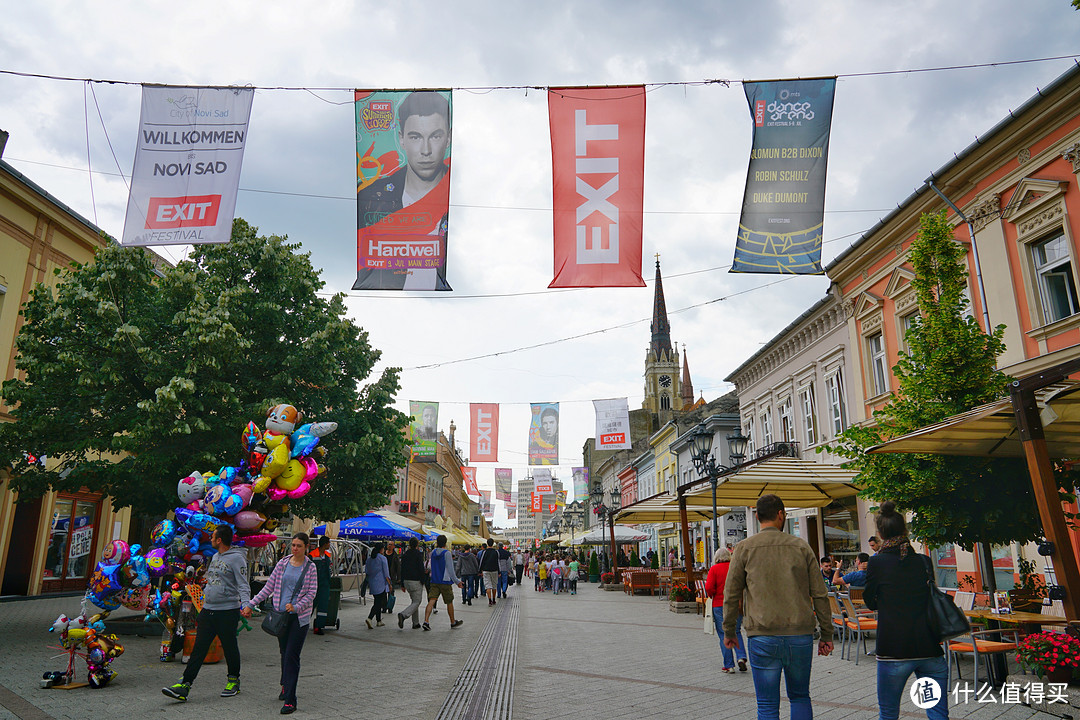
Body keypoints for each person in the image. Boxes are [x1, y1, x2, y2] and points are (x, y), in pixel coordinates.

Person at [722, 494, 832, 720]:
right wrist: (827, 634)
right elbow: (820, 594)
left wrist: (729, 631)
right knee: (800, 696)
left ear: (757, 516)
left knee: (767, 704)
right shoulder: (801, 547)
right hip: (799, 634)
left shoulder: (744, 548)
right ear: (781, 515)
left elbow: (731, 594)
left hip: (762, 635)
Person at [355, 91, 452, 291]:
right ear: (401, 139)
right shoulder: (371, 195)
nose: (426, 150)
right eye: (415, 137)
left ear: (448, 138)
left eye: (435, 136)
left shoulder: (458, 195)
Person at [864, 501, 948, 720]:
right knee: (938, 713)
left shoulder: (877, 563)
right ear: (905, 530)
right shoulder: (924, 562)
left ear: (881, 534)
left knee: (889, 714)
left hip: (894, 649)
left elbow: (870, 602)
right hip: (930, 648)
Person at [162, 525, 250, 702]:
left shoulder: (237, 559)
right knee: (199, 649)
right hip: (208, 610)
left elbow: (243, 584)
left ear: (219, 540)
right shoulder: (215, 556)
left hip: (227, 611)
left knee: (230, 646)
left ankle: (233, 681)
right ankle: (185, 684)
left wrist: (247, 605)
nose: (210, 539)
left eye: (213, 536)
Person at [241, 533, 318, 715]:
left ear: (306, 547)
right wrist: (251, 604)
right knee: (284, 653)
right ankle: (285, 685)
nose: (295, 548)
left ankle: (291, 700)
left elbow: (312, 593)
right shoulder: (283, 563)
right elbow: (269, 587)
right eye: (293, 545)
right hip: (280, 616)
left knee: (292, 655)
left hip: (298, 618)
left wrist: (297, 606)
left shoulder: (310, 568)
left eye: (299, 545)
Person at [706, 547, 747, 673]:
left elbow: (709, 587)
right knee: (736, 631)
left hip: (719, 605)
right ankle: (741, 657)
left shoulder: (714, 569)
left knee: (724, 634)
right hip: (736, 604)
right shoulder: (734, 567)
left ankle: (729, 666)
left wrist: (712, 595)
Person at [423, 535, 464, 630]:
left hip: (434, 580)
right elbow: (450, 570)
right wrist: (457, 582)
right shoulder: (447, 553)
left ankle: (426, 621)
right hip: (445, 581)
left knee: (431, 600)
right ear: (445, 543)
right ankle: (453, 622)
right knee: (449, 601)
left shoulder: (432, 553)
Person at [397, 537, 426, 630]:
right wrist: (423, 581)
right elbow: (421, 568)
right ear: (417, 544)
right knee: (417, 601)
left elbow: (402, 569)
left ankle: (416, 623)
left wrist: (402, 583)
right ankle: (404, 615)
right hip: (416, 581)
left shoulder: (405, 554)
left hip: (406, 581)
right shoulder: (418, 554)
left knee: (414, 601)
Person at [364, 542, 392, 629]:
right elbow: (386, 573)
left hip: (372, 583)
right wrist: (390, 584)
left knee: (378, 601)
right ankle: (370, 618)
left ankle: (379, 620)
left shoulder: (369, 559)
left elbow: (367, 572)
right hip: (381, 583)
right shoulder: (383, 558)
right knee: (378, 603)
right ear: (381, 549)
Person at [309, 536, 332, 635]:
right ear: (325, 544)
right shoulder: (312, 555)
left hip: (324, 585)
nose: (329, 545)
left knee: (323, 606)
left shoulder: (327, 555)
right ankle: (301, 624)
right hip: (314, 585)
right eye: (329, 543)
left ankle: (319, 626)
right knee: (310, 605)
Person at [479, 538, 501, 606]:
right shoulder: (496, 552)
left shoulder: (485, 552)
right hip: (494, 570)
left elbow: (481, 561)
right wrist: (499, 572)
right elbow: (498, 562)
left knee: (488, 586)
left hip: (486, 570)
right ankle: (494, 599)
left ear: (487, 543)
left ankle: (489, 600)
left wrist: (480, 570)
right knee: (494, 586)